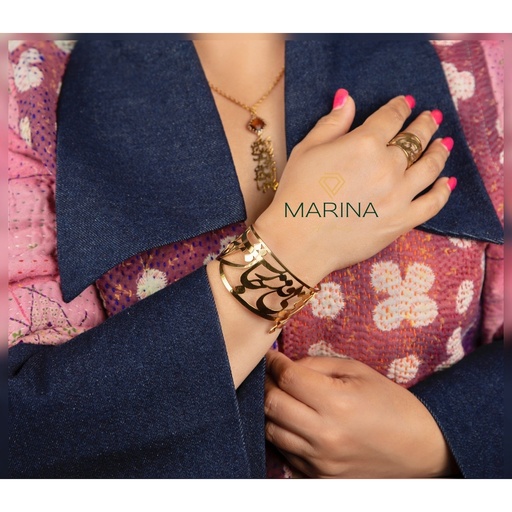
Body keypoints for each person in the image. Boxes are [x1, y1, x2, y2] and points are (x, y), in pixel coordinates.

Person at [8, 36, 503, 478]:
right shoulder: (27, 93)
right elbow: (22, 434)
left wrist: (438, 439)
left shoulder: (484, 76)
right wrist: (292, 248)